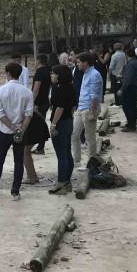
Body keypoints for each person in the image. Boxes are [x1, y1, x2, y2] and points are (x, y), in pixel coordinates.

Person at [0, 63, 34, 200]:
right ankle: (15, 192)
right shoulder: (27, 92)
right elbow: (29, 114)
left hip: (4, 130)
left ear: (8, 73)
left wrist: (11, 127)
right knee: (18, 161)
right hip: (21, 131)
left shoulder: (0, 90)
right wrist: (21, 129)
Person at [48, 65, 76, 195]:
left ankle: (61, 182)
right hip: (69, 121)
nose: (51, 75)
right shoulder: (70, 87)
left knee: (61, 155)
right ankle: (67, 181)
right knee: (67, 151)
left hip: (60, 123)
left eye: (53, 73)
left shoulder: (61, 89)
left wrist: (53, 124)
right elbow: (71, 107)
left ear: (59, 75)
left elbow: (59, 108)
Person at [72, 53, 103, 167]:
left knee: (89, 137)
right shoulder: (85, 73)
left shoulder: (94, 74)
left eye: (79, 62)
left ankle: (92, 162)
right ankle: (76, 160)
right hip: (81, 107)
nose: (77, 64)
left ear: (85, 62)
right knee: (74, 134)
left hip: (89, 109)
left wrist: (91, 111)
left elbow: (94, 95)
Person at [29, 54, 52, 156]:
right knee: (40, 122)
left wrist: (32, 102)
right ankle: (40, 146)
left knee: (38, 124)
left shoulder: (39, 72)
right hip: (45, 100)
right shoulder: (48, 71)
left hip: (39, 102)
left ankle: (40, 147)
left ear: (38, 61)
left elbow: (36, 89)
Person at [119, 46, 137, 132]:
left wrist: (122, 89)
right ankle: (132, 124)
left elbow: (127, 79)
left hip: (129, 88)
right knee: (133, 107)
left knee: (127, 107)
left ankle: (131, 125)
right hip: (136, 87)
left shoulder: (130, 64)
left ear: (126, 55)